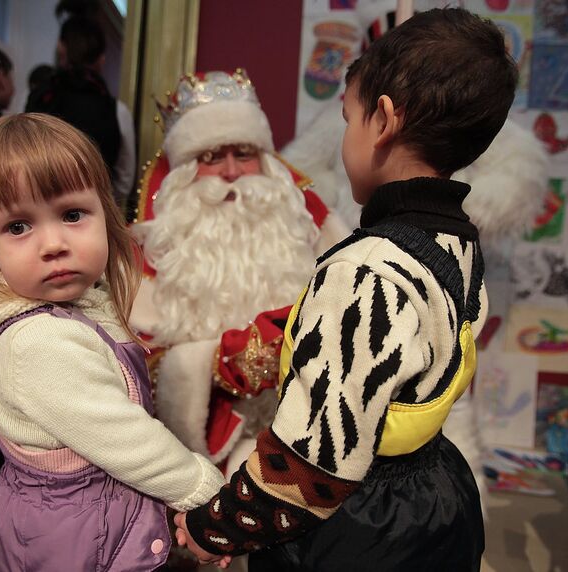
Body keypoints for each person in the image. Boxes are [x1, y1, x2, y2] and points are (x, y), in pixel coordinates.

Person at [174, 8, 516, 570]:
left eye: (348, 117)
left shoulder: (365, 270)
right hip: (436, 495)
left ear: (382, 121)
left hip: (364, 527)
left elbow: (309, 472)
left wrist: (213, 527)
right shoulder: (458, 242)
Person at [0, 113, 226, 571]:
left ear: (104, 211)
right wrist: (207, 493)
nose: (52, 243)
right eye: (18, 227)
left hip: (86, 521)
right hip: (74, 540)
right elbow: (128, 439)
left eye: (72, 215)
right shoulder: (38, 342)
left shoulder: (82, 303)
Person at [129, 69, 350, 478]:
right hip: (196, 455)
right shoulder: (154, 245)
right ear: (184, 170)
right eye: (211, 157)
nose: (231, 172)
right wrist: (220, 362)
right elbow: (136, 365)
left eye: (244, 154)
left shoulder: (308, 223)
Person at [26, 4, 136, 204]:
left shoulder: (39, 98)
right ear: (101, 59)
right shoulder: (117, 111)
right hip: (93, 213)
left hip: (38, 210)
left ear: (61, 49)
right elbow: (124, 178)